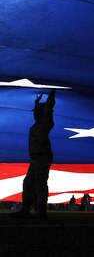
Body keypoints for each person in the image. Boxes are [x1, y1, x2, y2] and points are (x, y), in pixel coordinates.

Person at [11, 90, 57, 219]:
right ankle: (26, 209)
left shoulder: (45, 123)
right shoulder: (35, 126)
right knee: (28, 183)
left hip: (42, 157)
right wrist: (36, 102)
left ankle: (41, 211)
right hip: (35, 158)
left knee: (40, 183)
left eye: (37, 111)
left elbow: (49, 108)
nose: (35, 113)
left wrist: (52, 94)